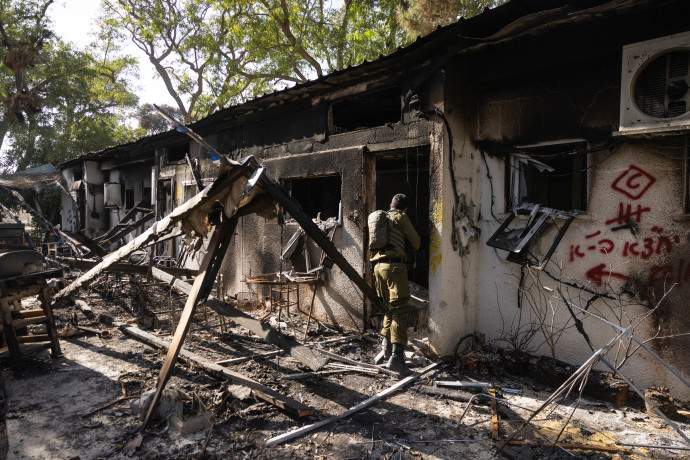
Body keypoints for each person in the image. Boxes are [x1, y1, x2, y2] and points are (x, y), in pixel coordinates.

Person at [371, 193, 421, 375]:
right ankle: (397, 359)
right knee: (400, 310)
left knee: (389, 309)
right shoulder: (401, 217)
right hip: (394, 268)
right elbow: (416, 242)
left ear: (389, 204)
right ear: (405, 208)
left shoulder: (382, 218)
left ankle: (386, 350)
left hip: (377, 268)